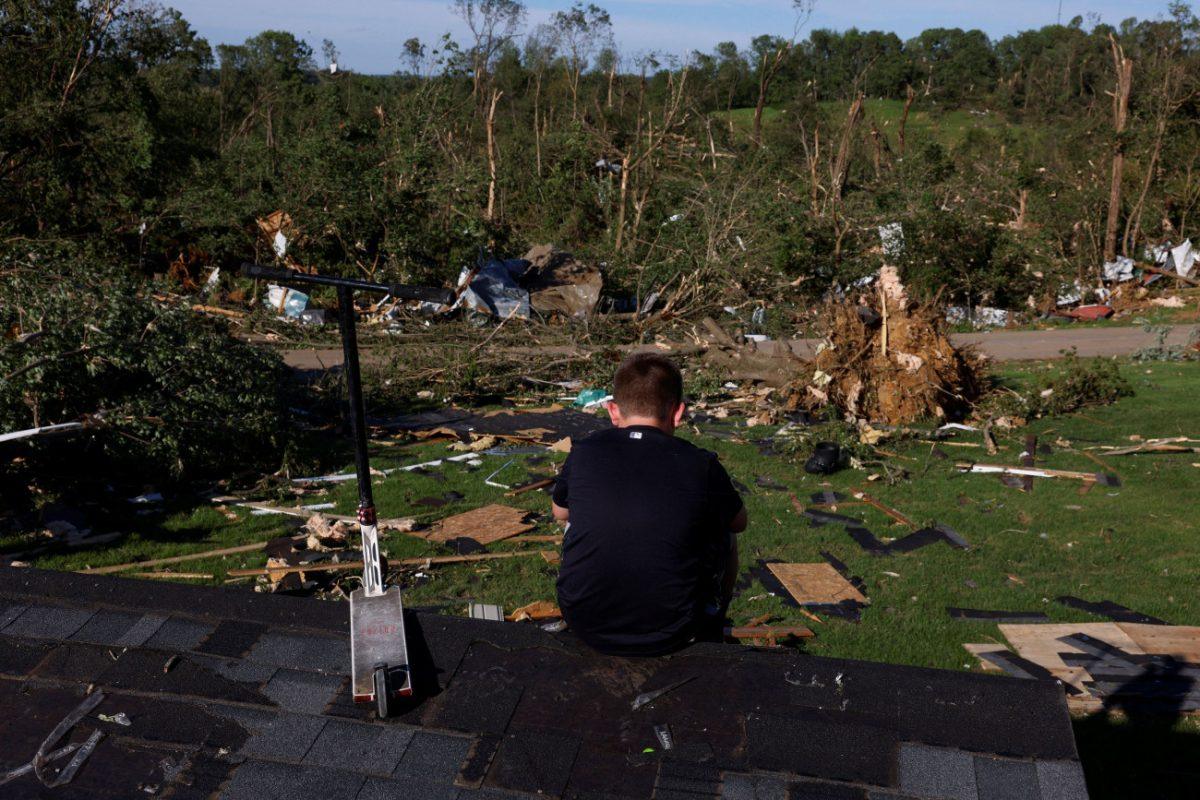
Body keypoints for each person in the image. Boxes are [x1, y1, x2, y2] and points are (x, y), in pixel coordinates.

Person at [551, 353, 747, 656]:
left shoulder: (584, 451)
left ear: (612, 410)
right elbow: (739, 522)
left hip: (584, 621)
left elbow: (560, 513)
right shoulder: (700, 463)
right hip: (674, 629)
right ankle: (713, 620)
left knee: (574, 521)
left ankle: (592, 589)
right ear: (678, 412)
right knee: (726, 532)